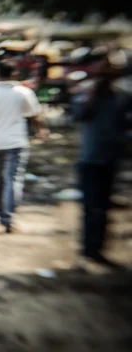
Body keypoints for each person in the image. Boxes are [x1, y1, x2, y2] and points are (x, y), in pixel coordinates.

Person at [70, 48, 132, 268]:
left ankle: (96, 249)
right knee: (91, 208)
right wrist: (91, 94)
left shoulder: (122, 94)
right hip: (90, 157)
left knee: (102, 207)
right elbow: (77, 116)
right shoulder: (86, 91)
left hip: (110, 156)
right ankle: (89, 249)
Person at [0, 62, 46, 233]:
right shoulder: (24, 92)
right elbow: (34, 115)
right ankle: (8, 217)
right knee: (12, 179)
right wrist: (41, 130)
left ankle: (1, 214)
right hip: (16, 142)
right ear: (14, 74)